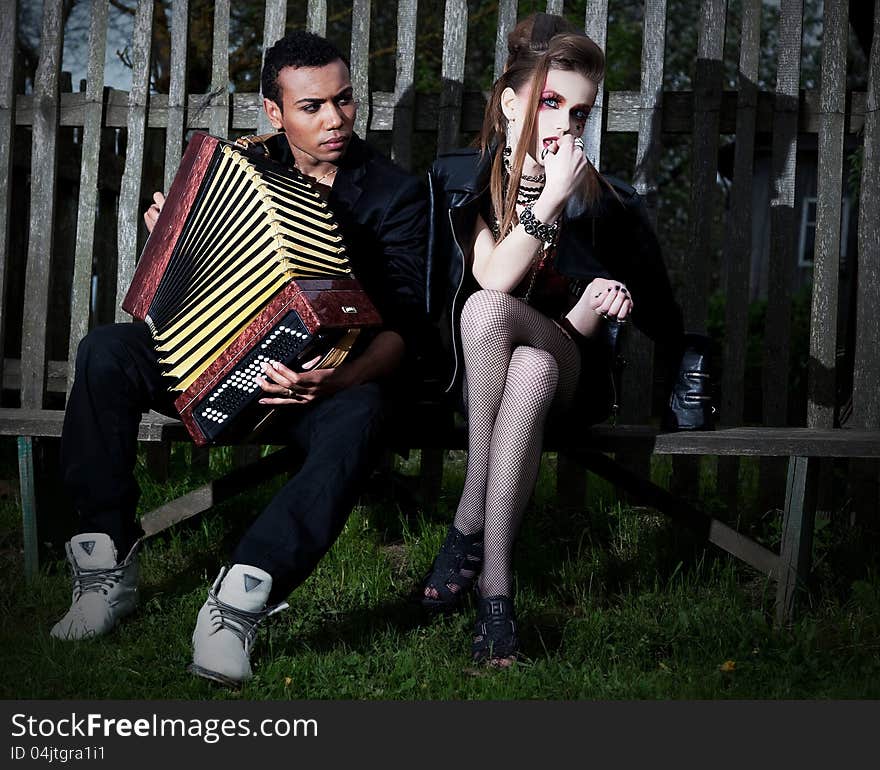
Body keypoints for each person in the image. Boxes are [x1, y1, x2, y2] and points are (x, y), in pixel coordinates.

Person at [51, 30, 428, 688]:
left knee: (366, 410)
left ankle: (239, 601)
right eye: (312, 106)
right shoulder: (243, 165)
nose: (336, 118)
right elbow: (191, 288)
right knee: (106, 350)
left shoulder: (395, 194)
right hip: (214, 369)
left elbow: (403, 333)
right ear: (273, 112)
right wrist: (175, 236)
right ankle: (105, 565)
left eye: (344, 100)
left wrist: (333, 379)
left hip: (314, 389)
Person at [420, 13, 697, 667]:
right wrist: (542, 205)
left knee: (521, 343)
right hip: (494, 383)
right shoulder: (465, 181)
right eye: (551, 103)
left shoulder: (608, 203)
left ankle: (467, 519)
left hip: (576, 373)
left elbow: (661, 314)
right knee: (513, 350)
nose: (567, 125)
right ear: (512, 103)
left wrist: (611, 299)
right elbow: (491, 276)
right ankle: (496, 597)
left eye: (580, 112)